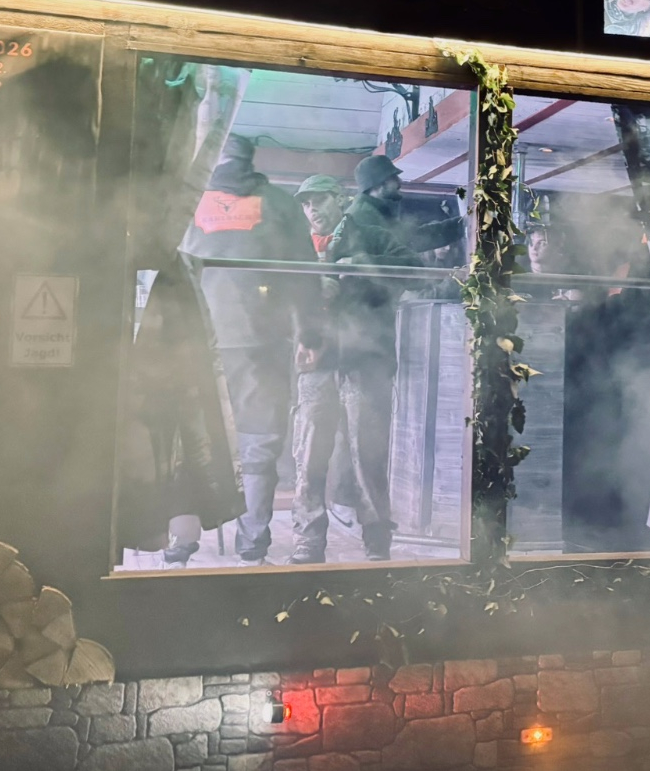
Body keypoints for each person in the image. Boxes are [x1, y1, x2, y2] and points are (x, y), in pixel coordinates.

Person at [179, 133, 319, 565]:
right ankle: (252, 547)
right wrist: (309, 335)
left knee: (187, 438)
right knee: (258, 443)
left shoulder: (186, 202)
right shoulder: (278, 204)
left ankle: (179, 543)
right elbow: (303, 274)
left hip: (195, 340)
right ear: (250, 159)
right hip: (261, 341)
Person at [289, 173, 419, 562]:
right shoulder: (297, 246)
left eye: (320, 199)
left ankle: (377, 539)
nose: (312, 208)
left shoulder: (371, 235)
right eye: (306, 203)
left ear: (341, 199)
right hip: (317, 362)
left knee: (368, 455)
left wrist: (363, 264)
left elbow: (415, 269)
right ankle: (309, 538)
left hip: (366, 360)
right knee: (308, 455)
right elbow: (274, 296)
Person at [347, 154, 464, 255]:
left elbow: (414, 238)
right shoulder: (363, 216)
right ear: (380, 183)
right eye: (393, 177)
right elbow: (411, 241)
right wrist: (462, 225)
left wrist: (462, 224)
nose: (400, 181)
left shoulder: (375, 210)